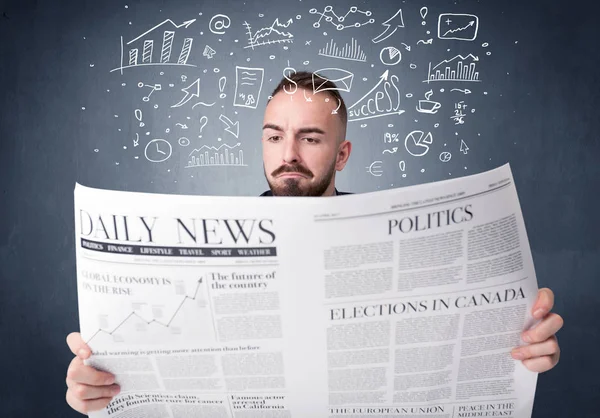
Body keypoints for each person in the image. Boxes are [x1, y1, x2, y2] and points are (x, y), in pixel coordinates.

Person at [65, 71, 564, 414]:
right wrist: (97, 384)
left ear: (342, 153)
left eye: (310, 137)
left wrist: (524, 351)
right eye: (274, 136)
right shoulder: (203, 252)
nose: (288, 154)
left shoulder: (404, 249)